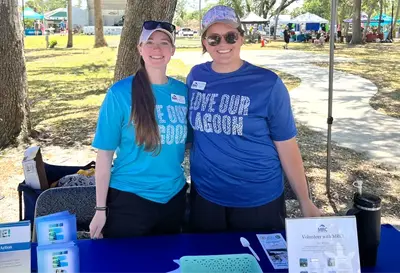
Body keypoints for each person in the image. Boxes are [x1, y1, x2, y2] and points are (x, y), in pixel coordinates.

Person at [186, 5, 321, 233]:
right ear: (204, 43)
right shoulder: (196, 76)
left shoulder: (268, 83)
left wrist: (304, 200)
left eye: (230, 36)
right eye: (214, 39)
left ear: (241, 38)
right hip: (206, 196)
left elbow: (287, 145)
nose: (223, 45)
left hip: (258, 200)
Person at [89, 20, 189, 239]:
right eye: (150, 42)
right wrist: (100, 209)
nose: (156, 49)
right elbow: (104, 155)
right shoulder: (120, 94)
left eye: (164, 43)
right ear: (139, 48)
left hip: (174, 197)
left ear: (172, 50)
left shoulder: (184, 93)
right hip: (130, 199)